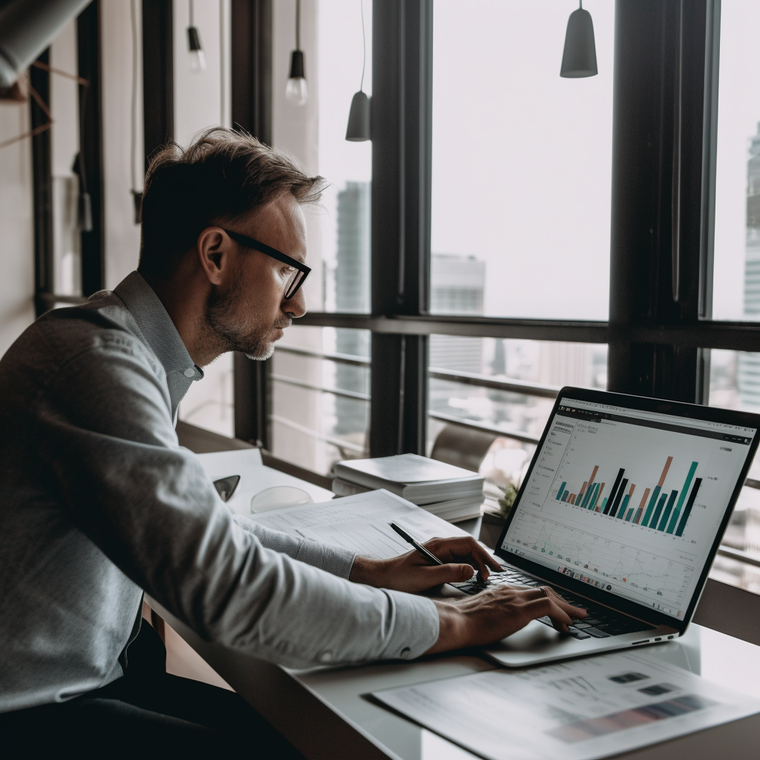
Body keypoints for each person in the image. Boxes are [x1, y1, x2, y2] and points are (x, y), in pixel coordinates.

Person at [0, 127, 585, 755]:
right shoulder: (95, 364)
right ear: (216, 254)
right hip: (34, 714)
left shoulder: (121, 352)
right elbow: (227, 585)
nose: (300, 304)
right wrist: (456, 620)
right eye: (288, 271)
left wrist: (371, 571)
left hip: (91, 682)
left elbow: (208, 534)